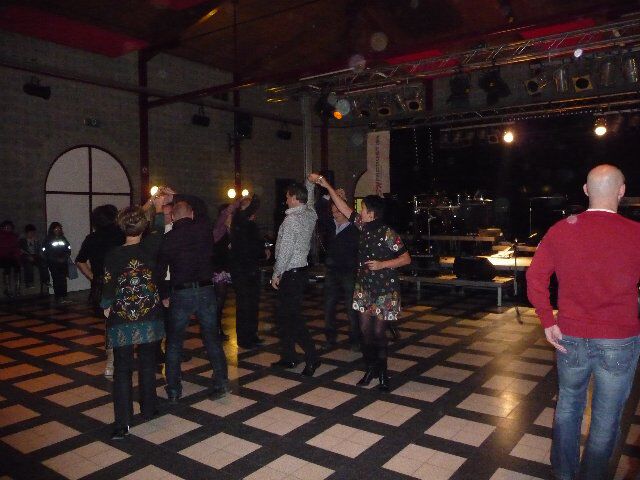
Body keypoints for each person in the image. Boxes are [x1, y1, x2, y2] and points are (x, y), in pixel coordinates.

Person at [526, 164, 640, 480]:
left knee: (568, 406)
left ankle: (564, 472)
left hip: (570, 335)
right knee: (606, 417)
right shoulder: (636, 233)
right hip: (619, 339)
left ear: (586, 190)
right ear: (621, 191)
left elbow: (535, 277)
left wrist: (547, 319)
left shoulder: (561, 230)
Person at [310, 173, 411, 391]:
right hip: (365, 286)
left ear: (372, 214)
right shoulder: (362, 227)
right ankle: (370, 368)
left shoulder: (388, 233)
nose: (360, 211)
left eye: (363, 209)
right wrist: (326, 185)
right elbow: (342, 207)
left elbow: (406, 258)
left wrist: (383, 264)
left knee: (379, 333)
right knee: (365, 331)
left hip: (385, 289)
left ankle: (383, 374)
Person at [101, 195, 166, 440]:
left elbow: (108, 286)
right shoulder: (151, 246)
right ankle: (149, 409)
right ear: (143, 226)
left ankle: (123, 423)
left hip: (122, 318)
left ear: (121, 226)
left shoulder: (113, 254)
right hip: (149, 315)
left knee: (122, 370)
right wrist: (158, 207)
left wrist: (106, 305)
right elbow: (159, 228)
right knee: (148, 363)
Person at [157, 198, 229, 403]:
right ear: (192, 214)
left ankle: (173, 388)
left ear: (172, 217)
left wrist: (164, 295)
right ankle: (221, 382)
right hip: (206, 289)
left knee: (174, 342)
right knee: (212, 338)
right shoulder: (203, 231)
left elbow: (160, 270)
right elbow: (202, 209)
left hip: (181, 292)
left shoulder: (169, 238)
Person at [270, 180, 321, 376]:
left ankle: (312, 357)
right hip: (300, 273)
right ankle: (289, 356)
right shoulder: (309, 215)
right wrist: (310, 185)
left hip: (290, 274)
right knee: (285, 318)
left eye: (287, 197)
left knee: (292, 319)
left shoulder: (291, 220)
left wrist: (276, 273)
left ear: (294, 198)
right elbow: (310, 203)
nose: (286, 200)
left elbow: (285, 252)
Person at [76, 205, 126, 378]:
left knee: (110, 323)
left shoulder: (92, 238)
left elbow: (80, 261)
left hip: (102, 285)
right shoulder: (122, 235)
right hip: (122, 283)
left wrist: (94, 277)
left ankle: (111, 362)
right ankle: (119, 358)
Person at [230, 195, 268, 349]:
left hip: (252, 269)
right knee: (244, 305)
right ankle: (244, 339)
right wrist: (254, 197)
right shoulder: (238, 220)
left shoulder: (250, 224)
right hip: (242, 271)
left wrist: (263, 250)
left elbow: (255, 244)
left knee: (253, 304)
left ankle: (252, 335)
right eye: (249, 208)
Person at [323, 197, 360, 350]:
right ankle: (330, 338)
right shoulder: (331, 225)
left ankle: (355, 339)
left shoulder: (354, 228)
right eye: (333, 212)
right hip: (332, 271)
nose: (335, 214)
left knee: (351, 308)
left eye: (338, 211)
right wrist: (328, 196)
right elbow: (318, 209)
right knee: (329, 306)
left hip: (348, 271)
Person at [212, 203, 234, 341]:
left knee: (221, 300)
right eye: (229, 215)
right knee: (218, 300)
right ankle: (215, 330)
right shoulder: (219, 230)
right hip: (217, 268)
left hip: (225, 267)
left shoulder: (228, 230)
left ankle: (217, 328)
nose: (231, 217)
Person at [42, 222, 72, 304]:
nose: (58, 230)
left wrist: (65, 257)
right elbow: (45, 252)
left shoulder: (63, 238)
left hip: (63, 262)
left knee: (63, 280)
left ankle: (64, 297)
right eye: (56, 228)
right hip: (53, 263)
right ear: (52, 229)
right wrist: (56, 259)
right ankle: (58, 297)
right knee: (57, 280)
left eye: (59, 228)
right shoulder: (48, 240)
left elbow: (68, 248)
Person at [19, 224, 49, 289]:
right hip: (25, 256)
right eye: (30, 232)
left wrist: (37, 242)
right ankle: (29, 283)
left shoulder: (36, 240)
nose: (32, 234)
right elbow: (21, 250)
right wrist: (28, 256)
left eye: (33, 232)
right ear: (26, 233)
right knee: (28, 265)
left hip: (35, 256)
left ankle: (46, 281)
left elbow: (39, 250)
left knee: (43, 263)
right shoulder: (22, 241)